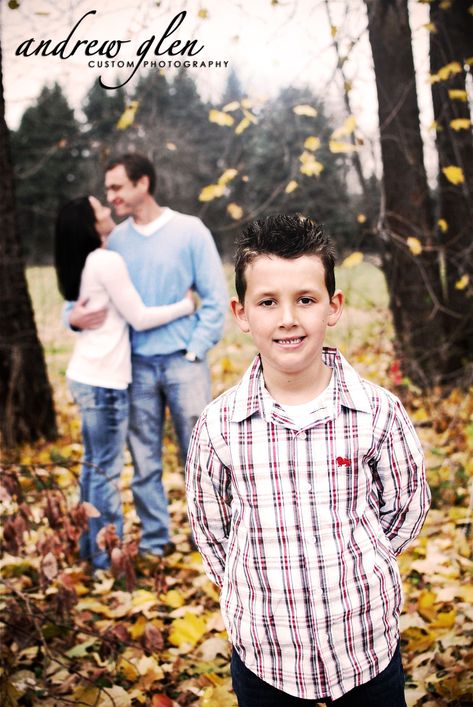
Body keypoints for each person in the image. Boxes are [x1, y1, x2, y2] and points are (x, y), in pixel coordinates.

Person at [186, 214, 431, 706]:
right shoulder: (219, 426)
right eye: (268, 302)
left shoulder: (377, 412)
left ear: (332, 306)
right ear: (241, 312)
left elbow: (407, 505)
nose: (287, 320)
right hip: (266, 653)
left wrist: (366, 558)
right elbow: (211, 531)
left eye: (305, 299)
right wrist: (254, 580)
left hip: (364, 646)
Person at [69, 154, 228, 559]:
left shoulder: (190, 231)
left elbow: (214, 298)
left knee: (198, 457)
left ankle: (209, 538)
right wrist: (72, 317)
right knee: (145, 461)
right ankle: (157, 542)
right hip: (134, 368)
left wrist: (195, 351)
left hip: (183, 362)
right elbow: (79, 292)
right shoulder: (114, 241)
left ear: (143, 183)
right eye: (109, 190)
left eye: (117, 187)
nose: (112, 197)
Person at [55, 195, 195, 570]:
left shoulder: (81, 262)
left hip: (84, 375)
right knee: (106, 472)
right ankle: (106, 558)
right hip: (104, 382)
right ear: (91, 225)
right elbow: (140, 317)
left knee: (91, 468)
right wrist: (186, 305)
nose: (107, 212)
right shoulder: (106, 260)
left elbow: (76, 312)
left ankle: (89, 547)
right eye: (100, 210)